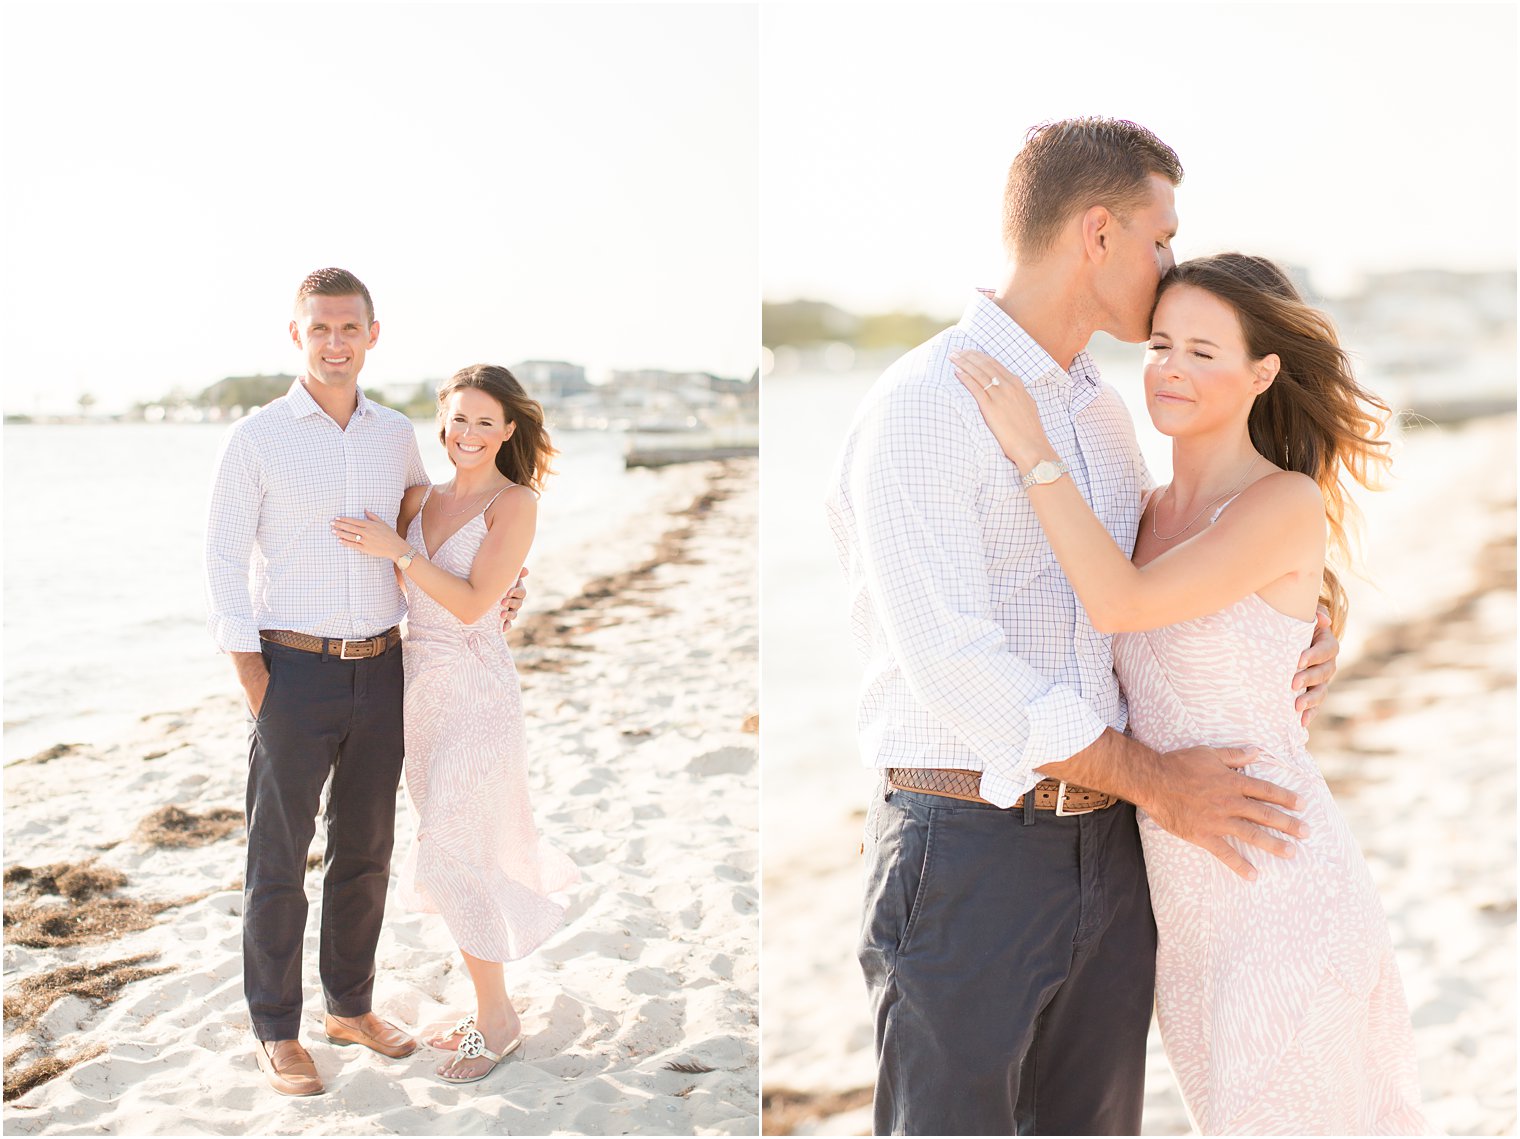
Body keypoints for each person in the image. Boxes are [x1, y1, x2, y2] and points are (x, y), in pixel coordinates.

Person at [825, 119, 1340, 1135]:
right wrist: (1157, 780)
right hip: (969, 844)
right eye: (1160, 237)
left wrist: (1309, 624)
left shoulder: (1100, 412)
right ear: (1096, 233)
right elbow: (950, 664)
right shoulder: (929, 400)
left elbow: (1176, 575)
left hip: (1111, 854)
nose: (1169, 262)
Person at [950, 253, 1431, 1134]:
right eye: (1162, 344)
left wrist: (1032, 449)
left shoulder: (1283, 501)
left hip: (1279, 876)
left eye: (1203, 352)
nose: (1170, 368)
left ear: (1262, 373)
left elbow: (1121, 602)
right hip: (1183, 907)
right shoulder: (1140, 507)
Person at [204, 269, 526, 1097]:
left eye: (350, 328)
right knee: (277, 856)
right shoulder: (259, 437)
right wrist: (254, 677)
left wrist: (505, 589)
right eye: (321, 329)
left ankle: (349, 1006)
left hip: (386, 668)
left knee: (367, 850)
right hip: (293, 670)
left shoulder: (393, 436)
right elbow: (221, 562)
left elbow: (437, 519)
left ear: (372, 334)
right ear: (297, 335)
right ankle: (277, 1030)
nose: (336, 343)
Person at [331, 364, 578, 1084]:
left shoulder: (515, 502)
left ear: (508, 429)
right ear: (441, 425)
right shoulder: (418, 496)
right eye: (457, 419)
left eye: (482, 421)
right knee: (456, 847)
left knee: (447, 848)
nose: (467, 433)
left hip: (478, 688)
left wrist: (403, 554)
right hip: (417, 690)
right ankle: (488, 1004)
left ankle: (497, 1020)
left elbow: (474, 604)